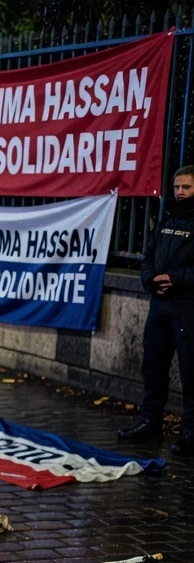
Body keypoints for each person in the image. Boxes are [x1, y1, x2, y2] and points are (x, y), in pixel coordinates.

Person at [119, 166, 194, 453]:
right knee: (153, 367)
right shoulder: (166, 219)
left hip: (187, 306)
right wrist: (151, 280)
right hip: (159, 305)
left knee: (190, 372)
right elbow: (148, 256)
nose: (180, 193)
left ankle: (190, 433)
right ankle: (150, 425)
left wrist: (176, 279)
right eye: (176, 188)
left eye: (186, 187)